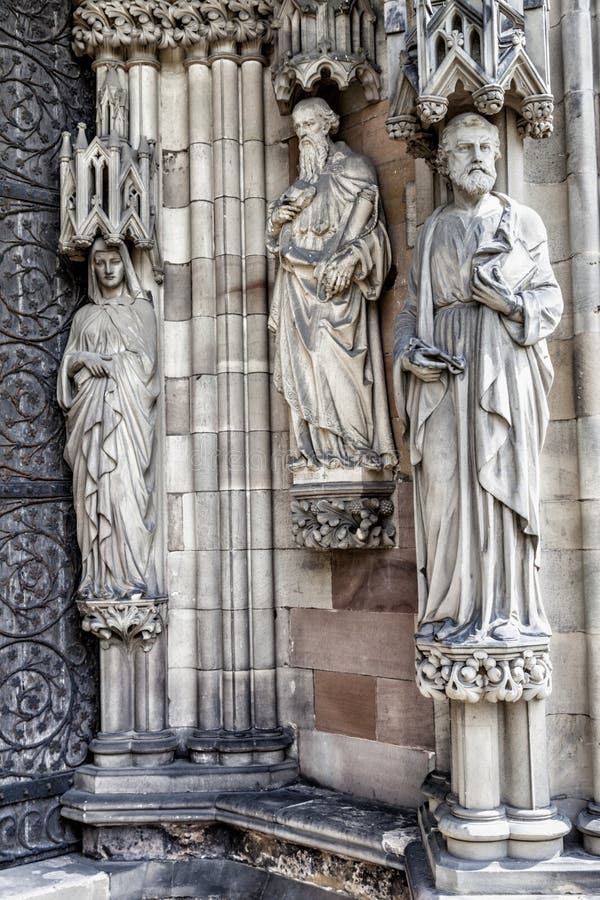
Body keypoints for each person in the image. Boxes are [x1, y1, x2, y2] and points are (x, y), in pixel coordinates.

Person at [394, 112, 562, 644]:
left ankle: (506, 614)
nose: (479, 159)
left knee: (500, 486)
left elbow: (549, 301)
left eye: (486, 148)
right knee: (443, 487)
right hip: (444, 374)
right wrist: (408, 353)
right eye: (465, 149)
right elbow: (409, 308)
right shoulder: (435, 228)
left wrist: (509, 303)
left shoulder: (522, 221)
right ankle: (450, 610)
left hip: (503, 372)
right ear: (443, 163)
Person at [267, 97, 397, 472]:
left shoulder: (356, 170)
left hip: (338, 298)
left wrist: (351, 257)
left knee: (334, 360)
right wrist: (276, 223)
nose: (303, 134)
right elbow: (281, 243)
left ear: (329, 124)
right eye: (298, 128)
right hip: (296, 294)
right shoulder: (298, 187)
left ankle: (355, 448)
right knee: (305, 372)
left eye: (309, 124)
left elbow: (378, 237)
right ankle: (317, 452)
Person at [57, 237, 158, 600]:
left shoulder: (140, 310)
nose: (108, 268)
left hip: (125, 423)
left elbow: (147, 367)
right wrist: (84, 360)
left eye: (115, 260)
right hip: (89, 423)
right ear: (92, 268)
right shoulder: (84, 316)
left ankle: (130, 577)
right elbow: (67, 366)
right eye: (100, 262)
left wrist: (111, 365)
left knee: (121, 493)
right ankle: (99, 579)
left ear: (126, 264)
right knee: (92, 496)